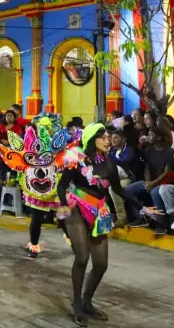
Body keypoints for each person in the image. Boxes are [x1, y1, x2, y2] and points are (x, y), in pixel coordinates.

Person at [57, 123, 156, 327]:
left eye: (108, 137)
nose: (107, 140)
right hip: (76, 208)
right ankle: (76, 304)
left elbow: (120, 190)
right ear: (93, 138)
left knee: (101, 264)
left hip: (99, 211)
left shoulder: (109, 164)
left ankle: (87, 302)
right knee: (82, 257)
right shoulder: (76, 159)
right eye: (103, 137)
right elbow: (62, 186)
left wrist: (143, 208)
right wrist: (65, 206)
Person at [0, 116, 66, 258]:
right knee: (37, 219)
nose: (45, 130)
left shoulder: (57, 145)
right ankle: (34, 246)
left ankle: (75, 241)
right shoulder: (30, 144)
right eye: (42, 127)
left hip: (54, 185)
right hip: (37, 186)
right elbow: (23, 162)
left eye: (47, 128)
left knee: (64, 218)